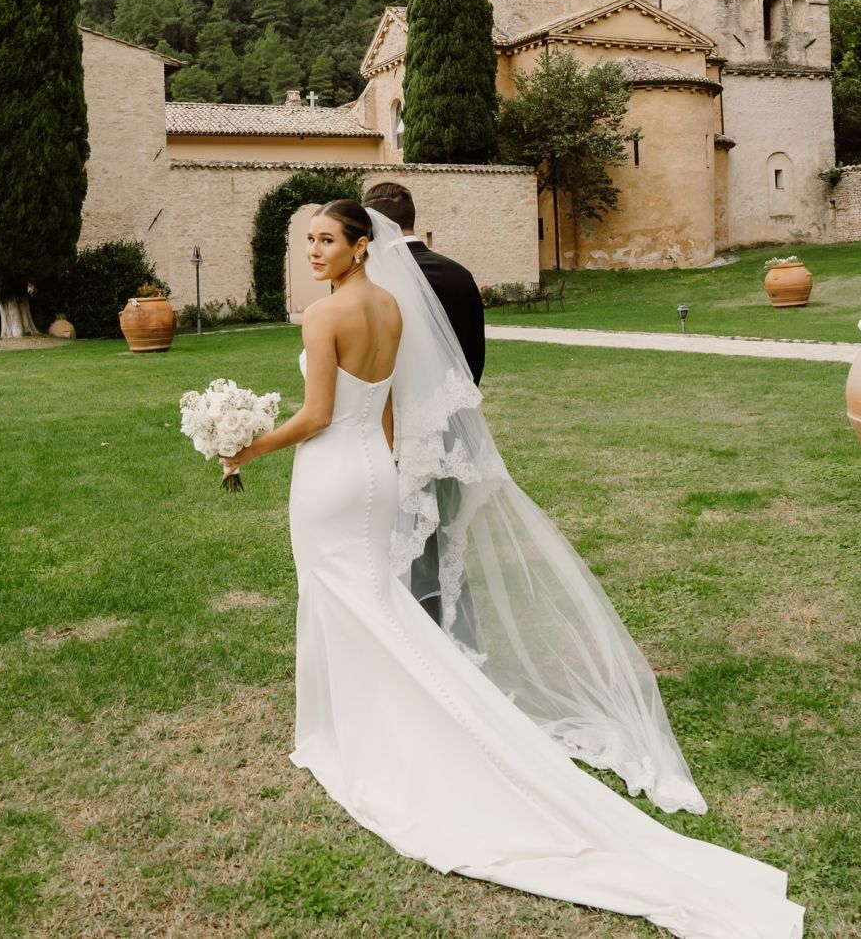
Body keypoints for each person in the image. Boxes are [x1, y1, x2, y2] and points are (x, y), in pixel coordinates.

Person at [221, 201, 804, 939]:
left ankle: (353, 732)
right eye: (308, 240)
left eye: (327, 240)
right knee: (374, 599)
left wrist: (245, 447)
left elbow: (314, 416)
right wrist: (389, 468)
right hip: (375, 468)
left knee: (343, 597)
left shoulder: (323, 314)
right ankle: (376, 718)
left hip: (331, 474)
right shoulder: (394, 307)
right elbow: (389, 410)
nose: (313, 251)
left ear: (361, 246)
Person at [363, 181, 483, 647]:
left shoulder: (376, 283)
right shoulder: (459, 274)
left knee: (403, 546)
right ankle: (459, 641)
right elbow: (473, 362)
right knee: (449, 545)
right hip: (455, 434)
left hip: (395, 435)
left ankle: (417, 647)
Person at [363, 181, 485, 384]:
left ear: (374, 225)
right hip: (457, 394)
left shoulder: (372, 277)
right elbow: (474, 350)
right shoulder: (461, 274)